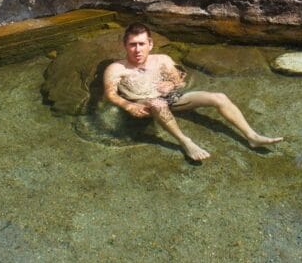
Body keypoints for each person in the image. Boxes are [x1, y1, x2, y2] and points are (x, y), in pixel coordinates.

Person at [102, 22, 282, 161]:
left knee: (219, 97)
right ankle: (185, 141)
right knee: (158, 103)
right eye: (132, 44)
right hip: (144, 105)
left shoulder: (162, 60)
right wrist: (128, 105)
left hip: (171, 99)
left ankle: (252, 136)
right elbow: (110, 94)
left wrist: (172, 84)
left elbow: (180, 79)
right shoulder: (116, 69)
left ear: (150, 44)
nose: (137, 49)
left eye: (141, 44)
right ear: (125, 46)